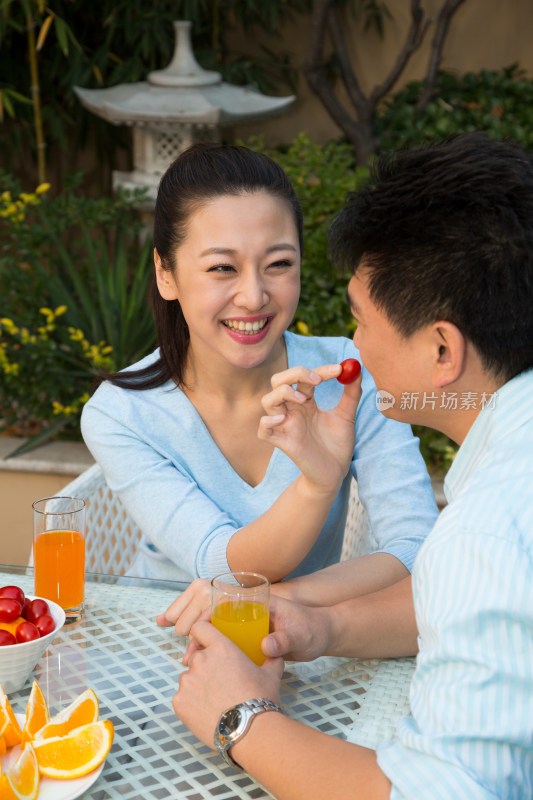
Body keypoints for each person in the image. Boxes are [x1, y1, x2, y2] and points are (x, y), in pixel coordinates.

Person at [166, 133, 533, 799]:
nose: (353, 342)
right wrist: (322, 627)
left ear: (441, 350)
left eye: (361, 320)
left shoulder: (484, 532)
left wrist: (240, 719)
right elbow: (487, 610)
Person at [81, 143, 437, 586]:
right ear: (165, 272)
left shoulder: (349, 375)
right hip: (162, 640)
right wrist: (317, 485)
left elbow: (418, 545)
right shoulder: (122, 412)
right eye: (222, 268)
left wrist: (301, 611)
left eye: (278, 264)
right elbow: (221, 569)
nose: (253, 296)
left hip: (308, 648)